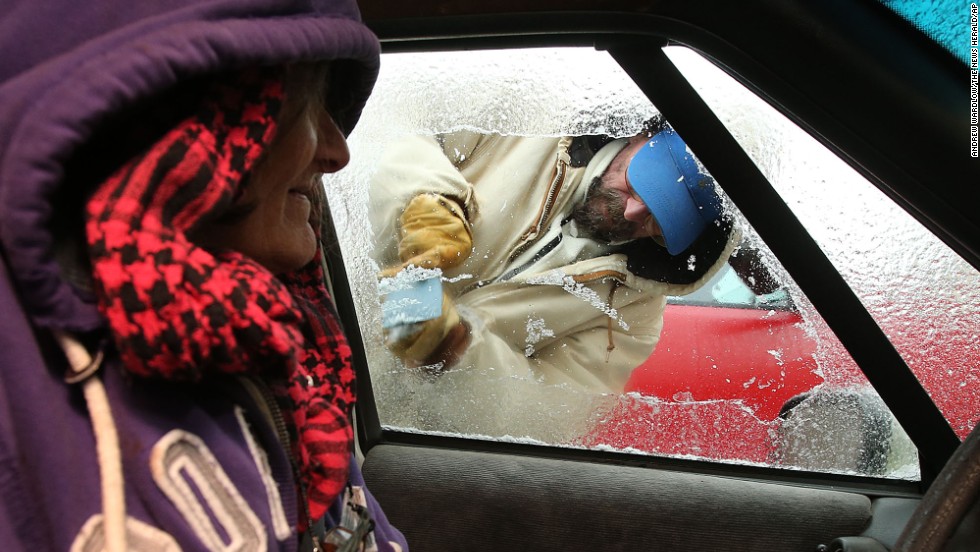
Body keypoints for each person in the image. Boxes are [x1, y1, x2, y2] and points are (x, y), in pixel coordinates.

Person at [0, 1, 406, 551]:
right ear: (193, 121)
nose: (337, 153)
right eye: (306, 107)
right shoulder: (19, 389)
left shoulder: (263, 320)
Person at [371, 117, 740, 395]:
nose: (632, 213)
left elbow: (542, 409)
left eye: (659, 222)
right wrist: (428, 200)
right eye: (642, 184)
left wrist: (455, 349)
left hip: (389, 425)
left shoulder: (633, 318)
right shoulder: (528, 124)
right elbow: (400, 127)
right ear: (641, 137)